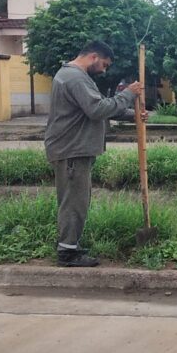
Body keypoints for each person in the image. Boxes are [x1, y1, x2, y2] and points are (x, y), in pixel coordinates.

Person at [44, 41, 145, 267]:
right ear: (93, 57)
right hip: (71, 149)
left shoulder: (71, 75)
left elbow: (94, 107)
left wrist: (133, 113)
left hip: (72, 148)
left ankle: (70, 246)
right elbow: (97, 109)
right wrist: (129, 94)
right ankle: (67, 253)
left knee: (76, 200)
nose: (104, 70)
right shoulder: (75, 77)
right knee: (74, 202)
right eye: (104, 65)